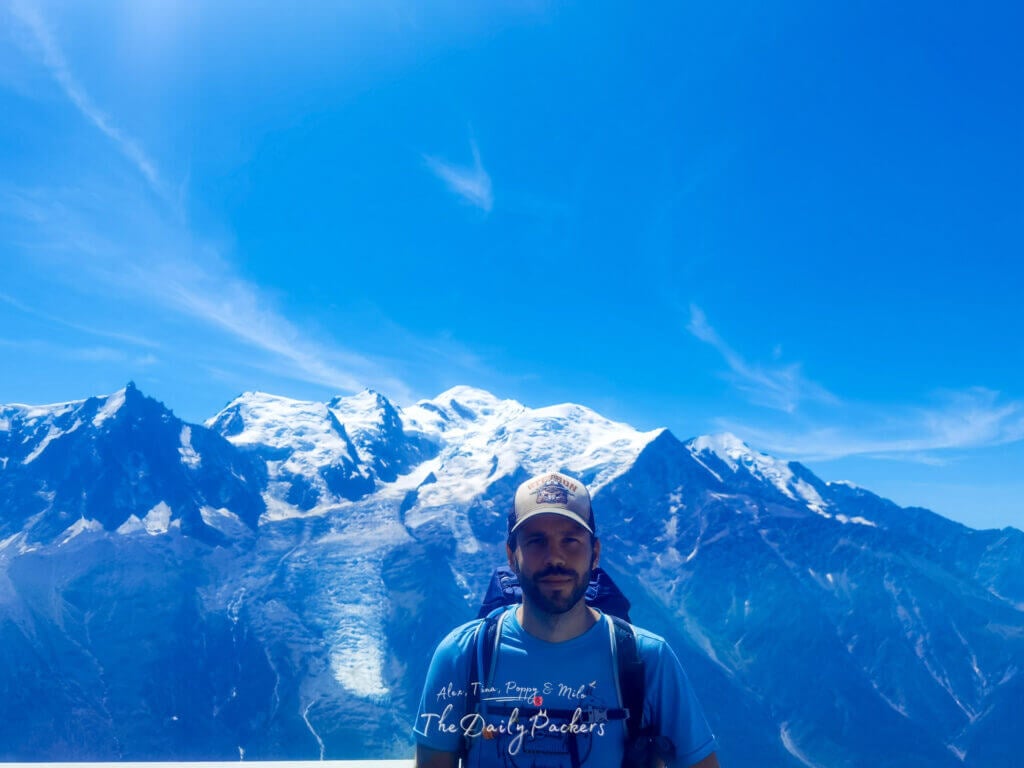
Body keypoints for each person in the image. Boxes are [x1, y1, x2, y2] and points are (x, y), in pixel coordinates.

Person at [413, 470, 720, 768]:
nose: (555, 558)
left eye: (570, 541)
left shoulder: (650, 661)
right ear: (511, 556)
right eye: (536, 541)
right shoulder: (461, 656)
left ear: (595, 553)